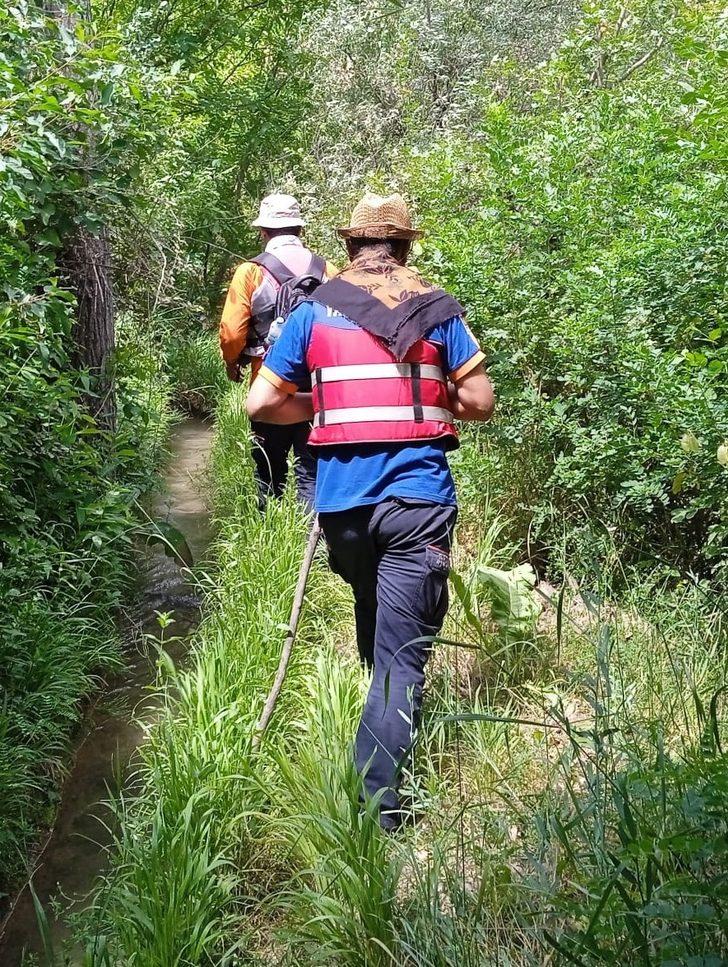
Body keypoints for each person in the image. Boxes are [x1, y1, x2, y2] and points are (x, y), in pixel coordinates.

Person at [246, 192, 495, 829]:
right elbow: (480, 401)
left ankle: (378, 718)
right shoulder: (438, 310)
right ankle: (379, 807)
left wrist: (323, 407)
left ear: (352, 248)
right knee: (400, 656)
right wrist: (429, 399)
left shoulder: (313, 314)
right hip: (418, 501)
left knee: (373, 610)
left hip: (343, 507)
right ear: (405, 246)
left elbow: (261, 406)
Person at [219, 192, 337, 511]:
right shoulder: (329, 271)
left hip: (268, 382)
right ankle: (310, 546)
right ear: (300, 230)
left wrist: (233, 362)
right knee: (311, 471)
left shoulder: (250, 272)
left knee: (268, 470)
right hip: (318, 387)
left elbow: (231, 333)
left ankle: (267, 532)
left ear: (264, 231)